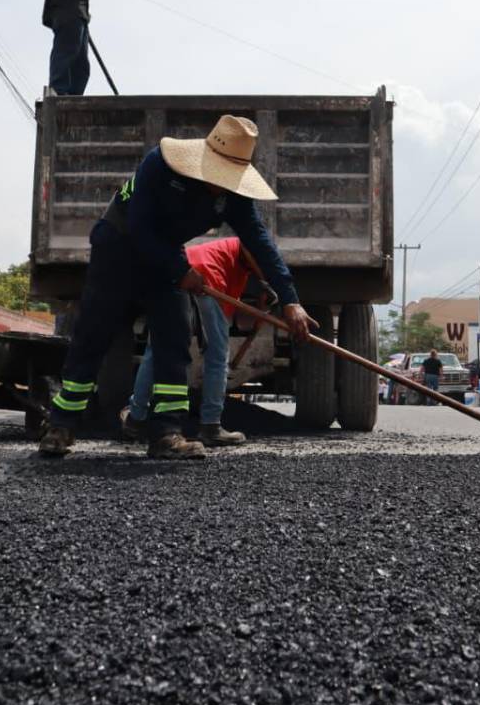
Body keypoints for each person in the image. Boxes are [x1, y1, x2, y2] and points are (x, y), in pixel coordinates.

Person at [39, 115, 315, 460]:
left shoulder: (233, 198)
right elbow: (140, 229)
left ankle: (166, 434)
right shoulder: (159, 165)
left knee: (174, 336)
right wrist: (181, 271)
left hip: (166, 253)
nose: (221, 184)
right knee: (94, 334)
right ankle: (60, 425)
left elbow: (260, 243)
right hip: (117, 246)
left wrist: (291, 301)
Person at [122, 237, 268, 447]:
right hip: (205, 280)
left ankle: (135, 419)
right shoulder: (240, 249)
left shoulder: (229, 254)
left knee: (157, 350)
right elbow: (225, 312)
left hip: (175, 273)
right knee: (217, 355)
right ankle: (211, 426)